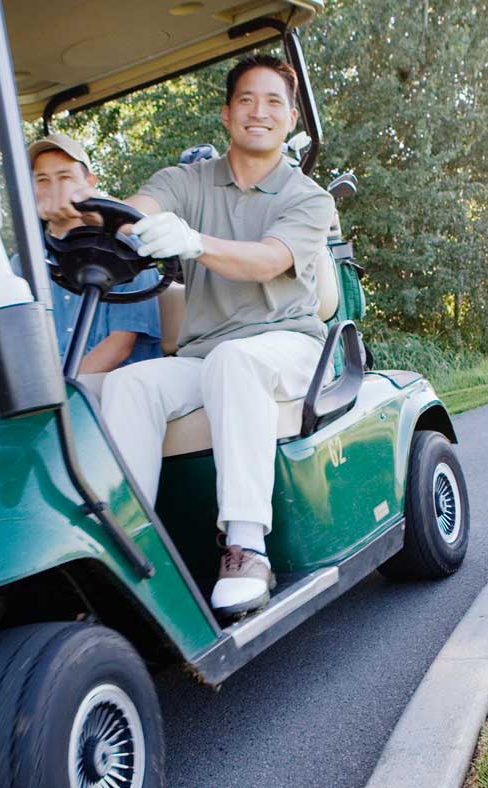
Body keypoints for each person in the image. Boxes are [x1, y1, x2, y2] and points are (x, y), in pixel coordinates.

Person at [39, 54, 335, 618]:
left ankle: (246, 547)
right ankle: (127, 548)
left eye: (273, 102)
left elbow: (269, 260)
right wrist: (96, 217)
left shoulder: (306, 197)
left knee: (234, 360)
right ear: (226, 114)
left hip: (289, 345)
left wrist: (196, 242)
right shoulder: (186, 180)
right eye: (246, 100)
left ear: (291, 119)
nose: (259, 112)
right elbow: (134, 213)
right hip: (206, 354)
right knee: (131, 386)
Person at [28, 132, 163, 373]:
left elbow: (119, 346)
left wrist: (62, 396)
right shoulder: (25, 264)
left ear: (89, 182)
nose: (53, 189)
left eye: (64, 177)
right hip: (50, 389)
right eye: (42, 180)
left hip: (113, 383)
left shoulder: (127, 251)